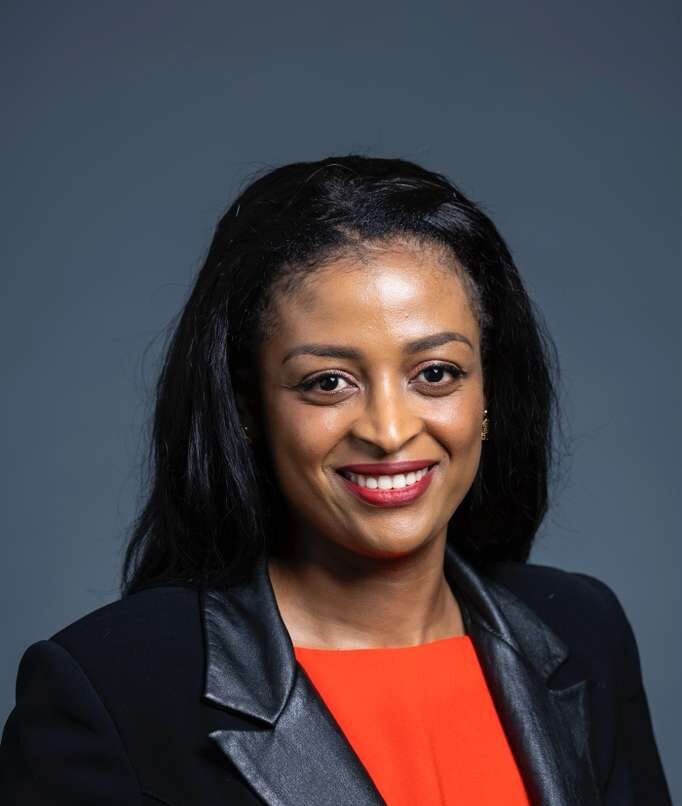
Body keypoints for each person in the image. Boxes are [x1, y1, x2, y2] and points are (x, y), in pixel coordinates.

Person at [0, 155, 672, 806]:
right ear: (247, 406)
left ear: (488, 389)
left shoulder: (585, 632)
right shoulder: (109, 692)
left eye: (436, 373)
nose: (388, 430)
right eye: (328, 382)